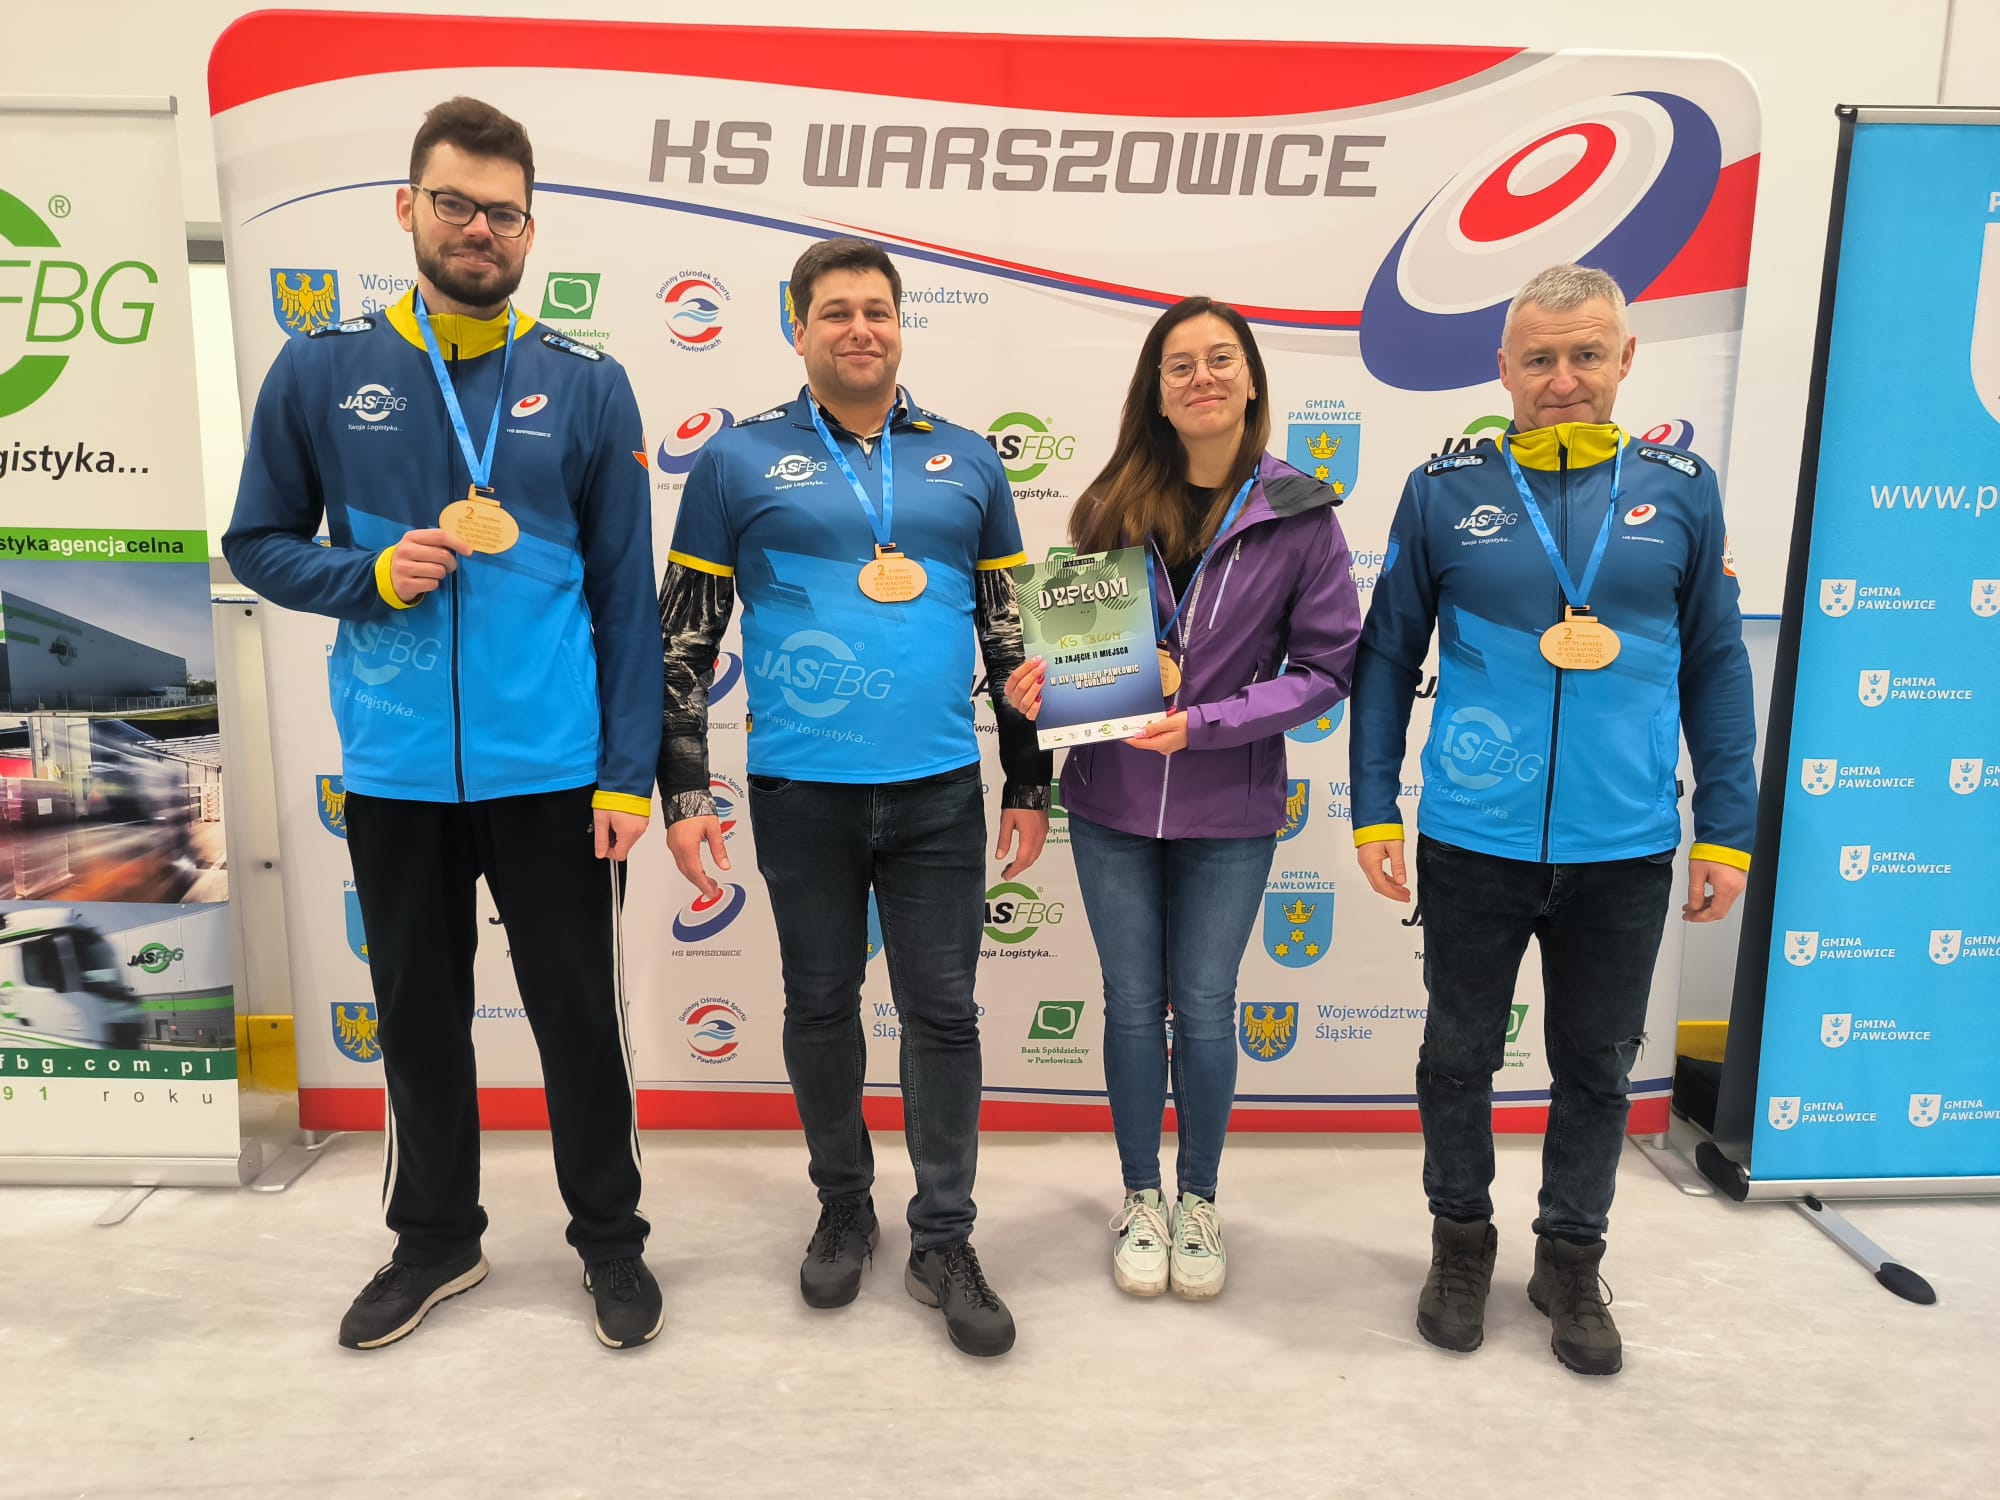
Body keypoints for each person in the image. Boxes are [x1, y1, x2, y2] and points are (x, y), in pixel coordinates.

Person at [224, 97, 663, 1352]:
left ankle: (609, 1236)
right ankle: (434, 1240)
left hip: (554, 772)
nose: (479, 229)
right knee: (417, 1018)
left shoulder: (586, 383)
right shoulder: (321, 371)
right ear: (407, 208)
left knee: (579, 1018)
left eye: (503, 213)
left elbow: (626, 600)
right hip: (399, 768)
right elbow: (256, 543)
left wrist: (625, 774)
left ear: (530, 230)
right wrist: (364, 576)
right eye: (455, 203)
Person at [1349, 263, 1756, 1376]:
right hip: (1473, 839)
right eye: (1539, 358)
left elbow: (1716, 666)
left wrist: (1726, 827)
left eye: (1585, 354)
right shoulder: (1443, 489)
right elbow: (1385, 656)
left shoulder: (1681, 489)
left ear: (1625, 358)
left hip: (1624, 846)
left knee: (1596, 1068)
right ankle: (1460, 1245)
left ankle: (1571, 1259)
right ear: (1503, 369)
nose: (1562, 378)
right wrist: (1373, 807)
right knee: (1455, 1058)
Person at [657, 237, 1049, 1358]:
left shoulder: (969, 460)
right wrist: (682, 788)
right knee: (820, 1006)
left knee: (944, 1015)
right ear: (798, 329)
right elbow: (685, 639)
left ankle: (944, 1237)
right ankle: (843, 1205)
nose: (859, 328)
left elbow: (1011, 635)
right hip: (800, 791)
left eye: (877, 309)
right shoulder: (735, 461)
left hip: (938, 790)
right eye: (835, 312)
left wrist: (1030, 779)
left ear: (899, 324)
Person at [1004, 298, 1361, 1299]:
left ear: (1250, 380)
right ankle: (1138, 1196)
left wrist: (1207, 723)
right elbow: (1088, 662)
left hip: (1228, 806)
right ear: (1155, 393)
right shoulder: (1109, 503)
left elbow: (1326, 670)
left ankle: (1197, 1199)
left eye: (1220, 359)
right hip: (1110, 800)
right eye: (1178, 365)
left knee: (1203, 1007)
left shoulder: (1300, 513)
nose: (1201, 377)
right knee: (1129, 1006)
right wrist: (1045, 686)